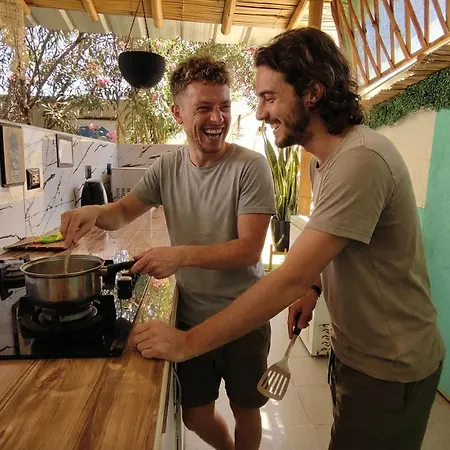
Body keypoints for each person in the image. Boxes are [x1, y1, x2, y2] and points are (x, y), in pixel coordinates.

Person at [131, 28, 446, 450]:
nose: (260, 113)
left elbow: (287, 278)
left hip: (391, 363)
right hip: (357, 354)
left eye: (269, 97)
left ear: (312, 92)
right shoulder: (324, 162)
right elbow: (335, 245)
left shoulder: (362, 160)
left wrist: (189, 342)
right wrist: (314, 286)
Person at [60, 56, 276, 450]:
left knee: (246, 409)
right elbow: (122, 212)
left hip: (244, 316)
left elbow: (249, 250)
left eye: (224, 106)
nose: (218, 118)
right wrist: (93, 212)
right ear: (178, 113)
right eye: (204, 107)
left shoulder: (251, 167)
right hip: (191, 315)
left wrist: (179, 256)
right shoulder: (167, 167)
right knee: (195, 415)